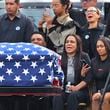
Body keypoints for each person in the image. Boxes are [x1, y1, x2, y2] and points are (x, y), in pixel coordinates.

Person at [52, 34, 91, 110]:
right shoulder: (59, 57)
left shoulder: (84, 56)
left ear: (77, 45)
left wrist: (79, 83)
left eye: (72, 42)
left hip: (80, 90)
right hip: (64, 89)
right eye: (67, 42)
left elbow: (90, 76)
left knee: (73, 95)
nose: (69, 43)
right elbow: (55, 74)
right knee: (57, 96)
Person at [91, 37, 110, 110]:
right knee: (95, 98)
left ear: (107, 46)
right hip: (98, 91)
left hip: (107, 91)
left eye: (101, 46)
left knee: (104, 97)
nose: (99, 48)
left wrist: (102, 92)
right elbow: (92, 80)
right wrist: (95, 92)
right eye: (97, 47)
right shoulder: (94, 61)